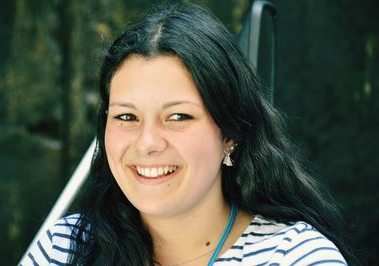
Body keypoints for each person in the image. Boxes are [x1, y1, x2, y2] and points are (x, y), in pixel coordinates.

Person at [20, 2, 358, 265]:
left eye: (178, 116)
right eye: (126, 116)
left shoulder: (295, 258)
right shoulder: (64, 251)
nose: (148, 142)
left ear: (230, 134)